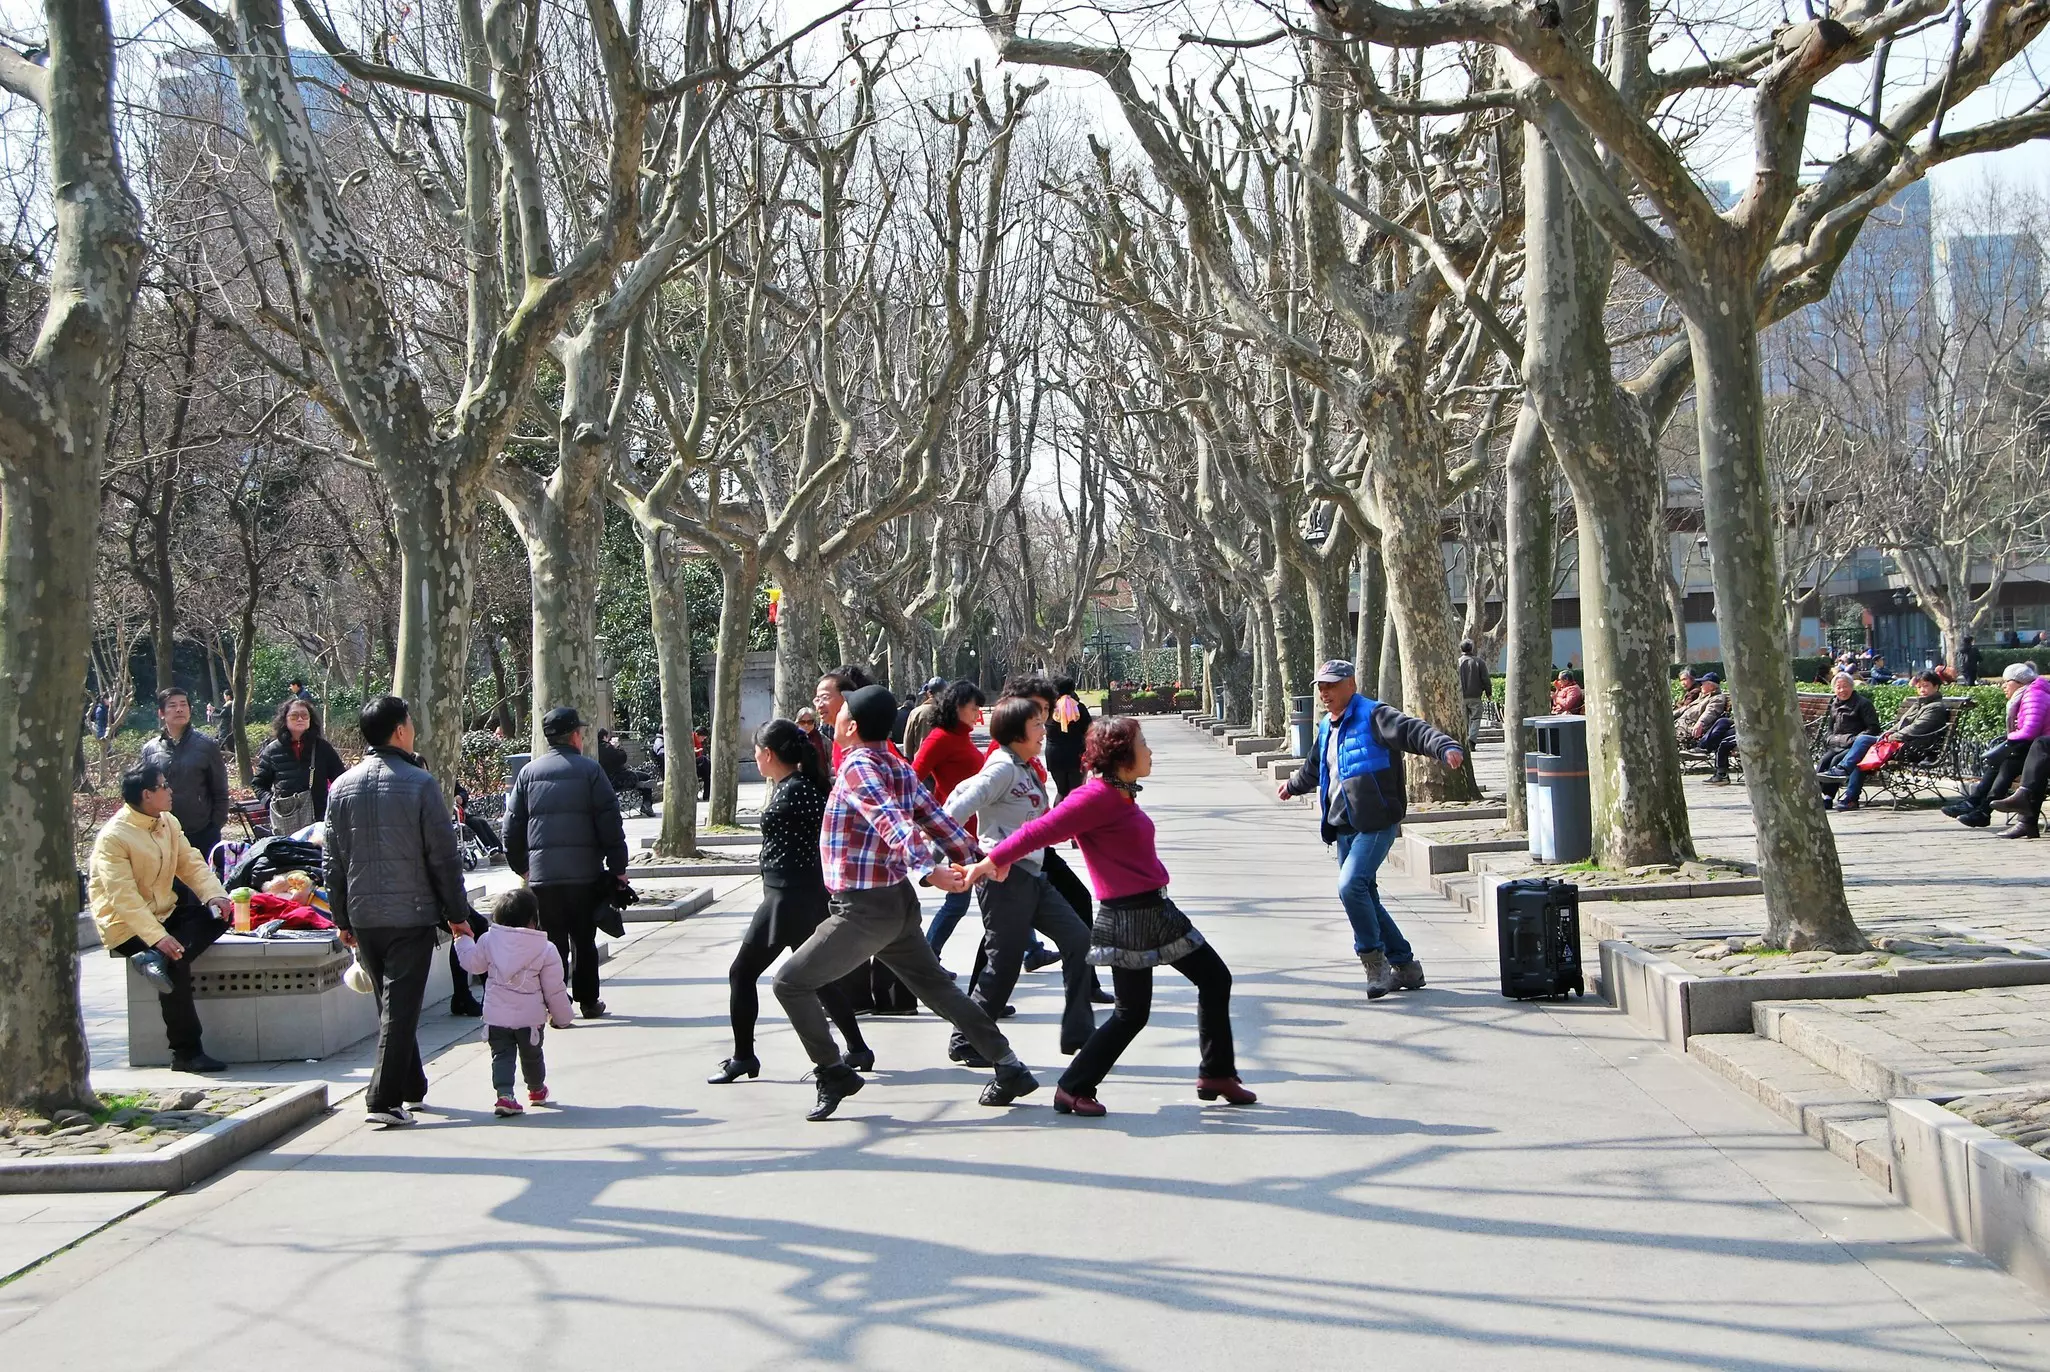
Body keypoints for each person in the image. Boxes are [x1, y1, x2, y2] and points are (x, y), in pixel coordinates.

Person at [771, 684, 1037, 1122]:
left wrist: (930, 869)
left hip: (863, 910)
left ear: (851, 726)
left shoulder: (857, 766)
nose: (834, 716)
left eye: (841, 712)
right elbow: (937, 819)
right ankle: (1009, 1065)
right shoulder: (895, 764)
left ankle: (832, 1072)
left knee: (790, 983)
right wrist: (980, 860)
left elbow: (893, 822)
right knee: (938, 989)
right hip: (895, 905)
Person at [968, 717, 1252, 1117]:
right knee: (1132, 1013)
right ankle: (1072, 1087)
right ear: (1121, 755)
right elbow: (1038, 832)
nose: (1149, 751)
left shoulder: (1118, 793)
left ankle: (1217, 1073)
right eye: (1142, 744)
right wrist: (989, 862)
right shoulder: (1095, 797)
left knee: (1212, 980)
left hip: (1155, 909)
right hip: (1129, 917)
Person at [326, 695, 475, 1127]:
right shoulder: (420, 783)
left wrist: (341, 917)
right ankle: (383, 1098)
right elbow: (443, 857)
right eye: (409, 723)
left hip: (364, 914)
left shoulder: (343, 786)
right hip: (410, 913)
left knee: (392, 1005)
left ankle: (411, 1085)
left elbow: (333, 859)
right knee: (400, 1007)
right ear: (399, 731)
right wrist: (457, 913)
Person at [1275, 659, 1464, 998]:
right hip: (1342, 825)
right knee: (1365, 897)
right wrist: (1292, 786)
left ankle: (1374, 963)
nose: (1324, 693)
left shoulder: (1374, 715)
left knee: (1351, 886)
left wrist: (1444, 746)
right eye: (1321, 687)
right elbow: (1314, 767)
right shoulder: (1326, 726)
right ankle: (1405, 966)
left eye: (1332, 686)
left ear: (1351, 684)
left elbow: (1412, 730)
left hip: (1377, 822)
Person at [710, 719, 873, 1084]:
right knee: (815, 977)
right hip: (802, 895)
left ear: (768, 754)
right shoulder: (802, 788)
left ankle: (743, 1056)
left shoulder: (795, 792)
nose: (755, 757)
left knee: (742, 973)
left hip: (786, 898)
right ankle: (858, 1047)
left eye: (756, 751)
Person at [944, 694, 1096, 1062]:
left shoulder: (1023, 766)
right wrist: (959, 856)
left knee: (1078, 941)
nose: (1044, 731)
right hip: (1004, 881)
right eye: (1036, 725)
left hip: (1033, 875)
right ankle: (966, 1040)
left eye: (1043, 723)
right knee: (1003, 965)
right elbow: (957, 805)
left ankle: (1079, 1032)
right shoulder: (1002, 768)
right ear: (1016, 733)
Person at [90, 762, 236, 1073]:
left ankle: (157, 958)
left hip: (164, 913)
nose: (171, 791)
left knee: (219, 916)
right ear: (147, 795)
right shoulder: (114, 837)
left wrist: (215, 894)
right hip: (126, 925)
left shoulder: (168, 821)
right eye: (164, 786)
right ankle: (186, 1053)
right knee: (177, 961)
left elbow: (190, 863)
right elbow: (123, 898)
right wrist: (158, 937)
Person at [505, 706, 629, 1019]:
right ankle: (588, 1001)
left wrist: (522, 867)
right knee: (584, 940)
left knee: (551, 942)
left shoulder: (528, 774)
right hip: (584, 875)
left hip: (543, 877)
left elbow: (511, 827)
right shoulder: (591, 771)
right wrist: (618, 869)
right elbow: (610, 823)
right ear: (575, 735)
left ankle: (555, 1005)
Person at [453, 886, 574, 1117]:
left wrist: (462, 940)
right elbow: (554, 989)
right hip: (530, 1018)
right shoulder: (546, 948)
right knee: (532, 1055)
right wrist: (562, 1017)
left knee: (501, 1056)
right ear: (532, 920)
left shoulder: (488, 941)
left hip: (496, 1016)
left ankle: (505, 1096)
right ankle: (536, 1090)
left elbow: (473, 964)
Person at [912, 679, 989, 956]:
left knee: (998, 894)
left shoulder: (962, 736)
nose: (977, 713)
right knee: (959, 901)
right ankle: (928, 957)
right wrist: (926, 819)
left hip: (977, 828)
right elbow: (912, 778)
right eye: (973, 707)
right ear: (957, 707)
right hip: (959, 832)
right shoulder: (940, 738)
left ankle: (1030, 948)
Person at [1818, 671, 1950, 810]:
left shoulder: (1935, 707)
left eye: (1926, 686)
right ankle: (1849, 797)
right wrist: (1887, 734)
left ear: (1936, 687)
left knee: (1863, 740)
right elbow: (1899, 725)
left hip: (1913, 748)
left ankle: (1843, 772)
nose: (1922, 690)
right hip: (1899, 743)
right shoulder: (1919, 704)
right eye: (1919, 686)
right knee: (1861, 755)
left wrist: (1890, 737)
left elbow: (1916, 728)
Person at [1947, 664, 2050, 828]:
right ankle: (1979, 807)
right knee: (2002, 762)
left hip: (2040, 753)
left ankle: (1979, 808)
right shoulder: (2027, 695)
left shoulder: (2034, 695)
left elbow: (2029, 732)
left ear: (2019, 682)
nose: (2003, 686)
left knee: (2007, 763)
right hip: (2034, 751)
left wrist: (2009, 738)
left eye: (2007, 681)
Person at [140, 687, 231, 864]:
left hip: (200, 831)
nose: (179, 709)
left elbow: (220, 791)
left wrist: (214, 826)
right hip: (161, 832)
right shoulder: (150, 749)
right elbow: (145, 791)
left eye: (183, 705)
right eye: (172, 705)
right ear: (161, 713)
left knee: (201, 879)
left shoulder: (206, 746)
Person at [251, 697, 348, 825]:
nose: (300, 719)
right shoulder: (272, 750)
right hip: (286, 819)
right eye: (294, 716)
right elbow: (258, 784)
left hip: (319, 819)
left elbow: (341, 780)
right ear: (284, 719)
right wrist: (271, 803)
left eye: (304, 715)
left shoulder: (322, 747)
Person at [1815, 673, 1882, 778]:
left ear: (1852, 687)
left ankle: (1830, 789)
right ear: (1834, 689)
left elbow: (1873, 728)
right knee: (1823, 762)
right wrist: (1829, 739)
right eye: (1838, 687)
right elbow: (1830, 728)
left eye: (1845, 686)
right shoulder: (1834, 705)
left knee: (1836, 761)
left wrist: (1854, 739)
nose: (1842, 690)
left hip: (1853, 746)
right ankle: (1816, 788)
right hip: (1837, 744)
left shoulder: (1863, 704)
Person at [1675, 672, 1735, 782]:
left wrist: (1700, 723)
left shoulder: (1717, 698)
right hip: (1679, 726)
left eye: (1703, 683)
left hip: (1690, 729)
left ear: (1711, 686)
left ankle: (1703, 750)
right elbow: (1684, 709)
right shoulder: (1702, 697)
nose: (1701, 685)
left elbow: (1710, 712)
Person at [814, 665, 875, 769]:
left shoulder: (867, 746)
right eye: (817, 699)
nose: (819, 705)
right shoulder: (840, 741)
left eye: (825, 697)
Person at [1045, 675, 1094, 799]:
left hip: (1054, 755)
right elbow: (1090, 731)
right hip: (1076, 755)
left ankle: (1059, 812)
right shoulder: (1079, 708)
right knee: (1076, 793)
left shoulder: (1049, 709)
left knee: (1061, 791)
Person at [597, 727, 655, 817]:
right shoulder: (608, 747)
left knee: (641, 780)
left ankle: (645, 803)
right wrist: (617, 746)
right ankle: (646, 804)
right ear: (605, 737)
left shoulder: (596, 749)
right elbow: (623, 757)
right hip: (619, 779)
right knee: (646, 777)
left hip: (607, 780)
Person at [902, 677, 948, 760]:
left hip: (920, 762)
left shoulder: (916, 712)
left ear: (929, 693)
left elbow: (908, 742)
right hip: (943, 763)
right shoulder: (951, 713)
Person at [1457, 641, 1491, 746]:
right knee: (1476, 719)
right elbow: (1486, 679)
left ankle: (1464, 742)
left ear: (1461, 649)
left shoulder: (1457, 662)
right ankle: (1472, 739)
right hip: (1475, 696)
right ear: (1471, 648)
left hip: (1460, 696)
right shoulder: (1479, 662)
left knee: (1464, 721)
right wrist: (1488, 693)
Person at [794, 707, 830, 772]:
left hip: (821, 776)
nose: (806, 725)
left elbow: (831, 762)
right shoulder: (792, 740)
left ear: (814, 723)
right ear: (797, 723)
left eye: (810, 722)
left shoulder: (824, 741)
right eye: (802, 722)